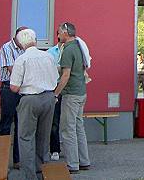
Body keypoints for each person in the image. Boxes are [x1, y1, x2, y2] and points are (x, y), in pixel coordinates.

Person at [9, 28, 58, 180]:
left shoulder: (21, 59)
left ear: (21, 43)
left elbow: (14, 87)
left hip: (29, 99)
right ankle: (42, 171)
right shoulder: (48, 56)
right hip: (49, 97)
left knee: (25, 138)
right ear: (35, 40)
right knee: (43, 137)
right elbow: (55, 78)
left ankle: (29, 176)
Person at [54, 22, 91, 174]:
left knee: (67, 130)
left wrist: (55, 93)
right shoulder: (79, 46)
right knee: (78, 127)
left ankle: (72, 164)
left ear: (65, 32)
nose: (58, 35)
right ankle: (84, 161)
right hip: (81, 92)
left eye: (59, 32)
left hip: (71, 95)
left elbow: (65, 75)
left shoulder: (68, 50)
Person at [0, 25, 26, 169]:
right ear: (17, 37)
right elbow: (12, 69)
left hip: (22, 88)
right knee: (6, 124)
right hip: (9, 87)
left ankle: (17, 160)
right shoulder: (7, 48)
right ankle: (0, 160)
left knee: (20, 125)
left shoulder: (25, 49)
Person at [47, 36, 64, 161]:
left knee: (70, 121)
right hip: (55, 86)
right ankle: (54, 149)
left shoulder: (72, 50)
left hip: (68, 89)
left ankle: (73, 151)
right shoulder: (50, 53)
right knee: (54, 120)